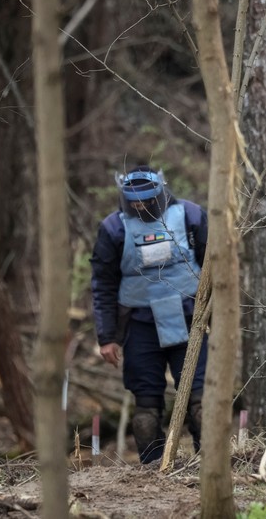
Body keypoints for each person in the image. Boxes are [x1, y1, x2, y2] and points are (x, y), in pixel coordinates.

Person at [90, 164, 208, 463]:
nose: (140, 207)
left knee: (200, 400)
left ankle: (208, 463)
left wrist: (215, 314)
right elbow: (103, 283)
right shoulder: (113, 228)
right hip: (139, 325)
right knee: (146, 407)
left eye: (146, 201)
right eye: (135, 202)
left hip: (190, 319)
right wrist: (107, 337)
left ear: (160, 193)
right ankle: (153, 467)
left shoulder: (192, 216)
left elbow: (214, 267)